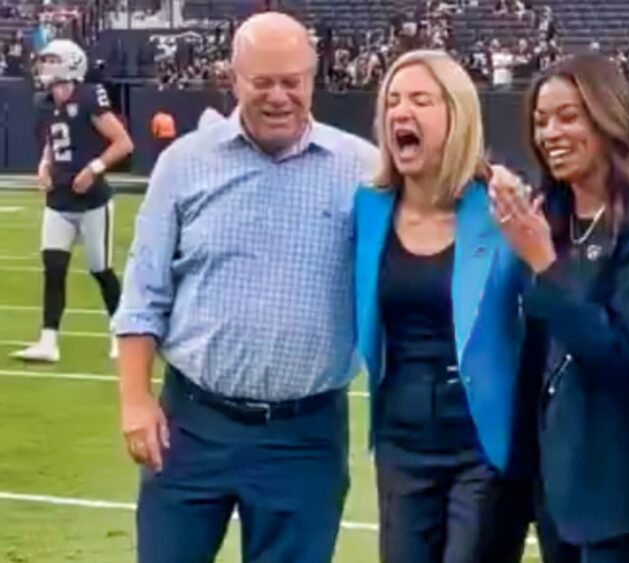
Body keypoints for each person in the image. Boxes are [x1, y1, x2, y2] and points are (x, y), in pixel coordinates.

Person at [112, 12, 372, 563]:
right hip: (193, 422)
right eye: (262, 82)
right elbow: (143, 294)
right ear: (234, 80)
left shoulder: (362, 169)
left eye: (292, 81)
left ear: (312, 78)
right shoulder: (185, 163)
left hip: (306, 433)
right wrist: (135, 400)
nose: (278, 96)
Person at [489, 53, 629, 563]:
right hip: (556, 481)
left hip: (623, 482)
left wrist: (543, 262)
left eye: (567, 116)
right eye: (540, 121)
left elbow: (620, 351)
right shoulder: (548, 213)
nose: (550, 132)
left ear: (606, 118)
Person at [354, 49, 536, 563]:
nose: (400, 112)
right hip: (401, 443)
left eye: (419, 99)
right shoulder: (367, 209)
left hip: (481, 445)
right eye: (392, 101)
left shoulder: (501, 206)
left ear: (456, 117)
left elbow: (546, 302)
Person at [12, 39, 134, 364]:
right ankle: (48, 341)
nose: (46, 68)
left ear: (71, 64)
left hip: (93, 201)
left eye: (53, 61)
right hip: (59, 199)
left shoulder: (89, 97)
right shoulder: (45, 102)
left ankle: (122, 335)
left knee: (101, 270)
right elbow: (53, 140)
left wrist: (93, 169)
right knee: (53, 268)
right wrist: (43, 164)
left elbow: (123, 143)